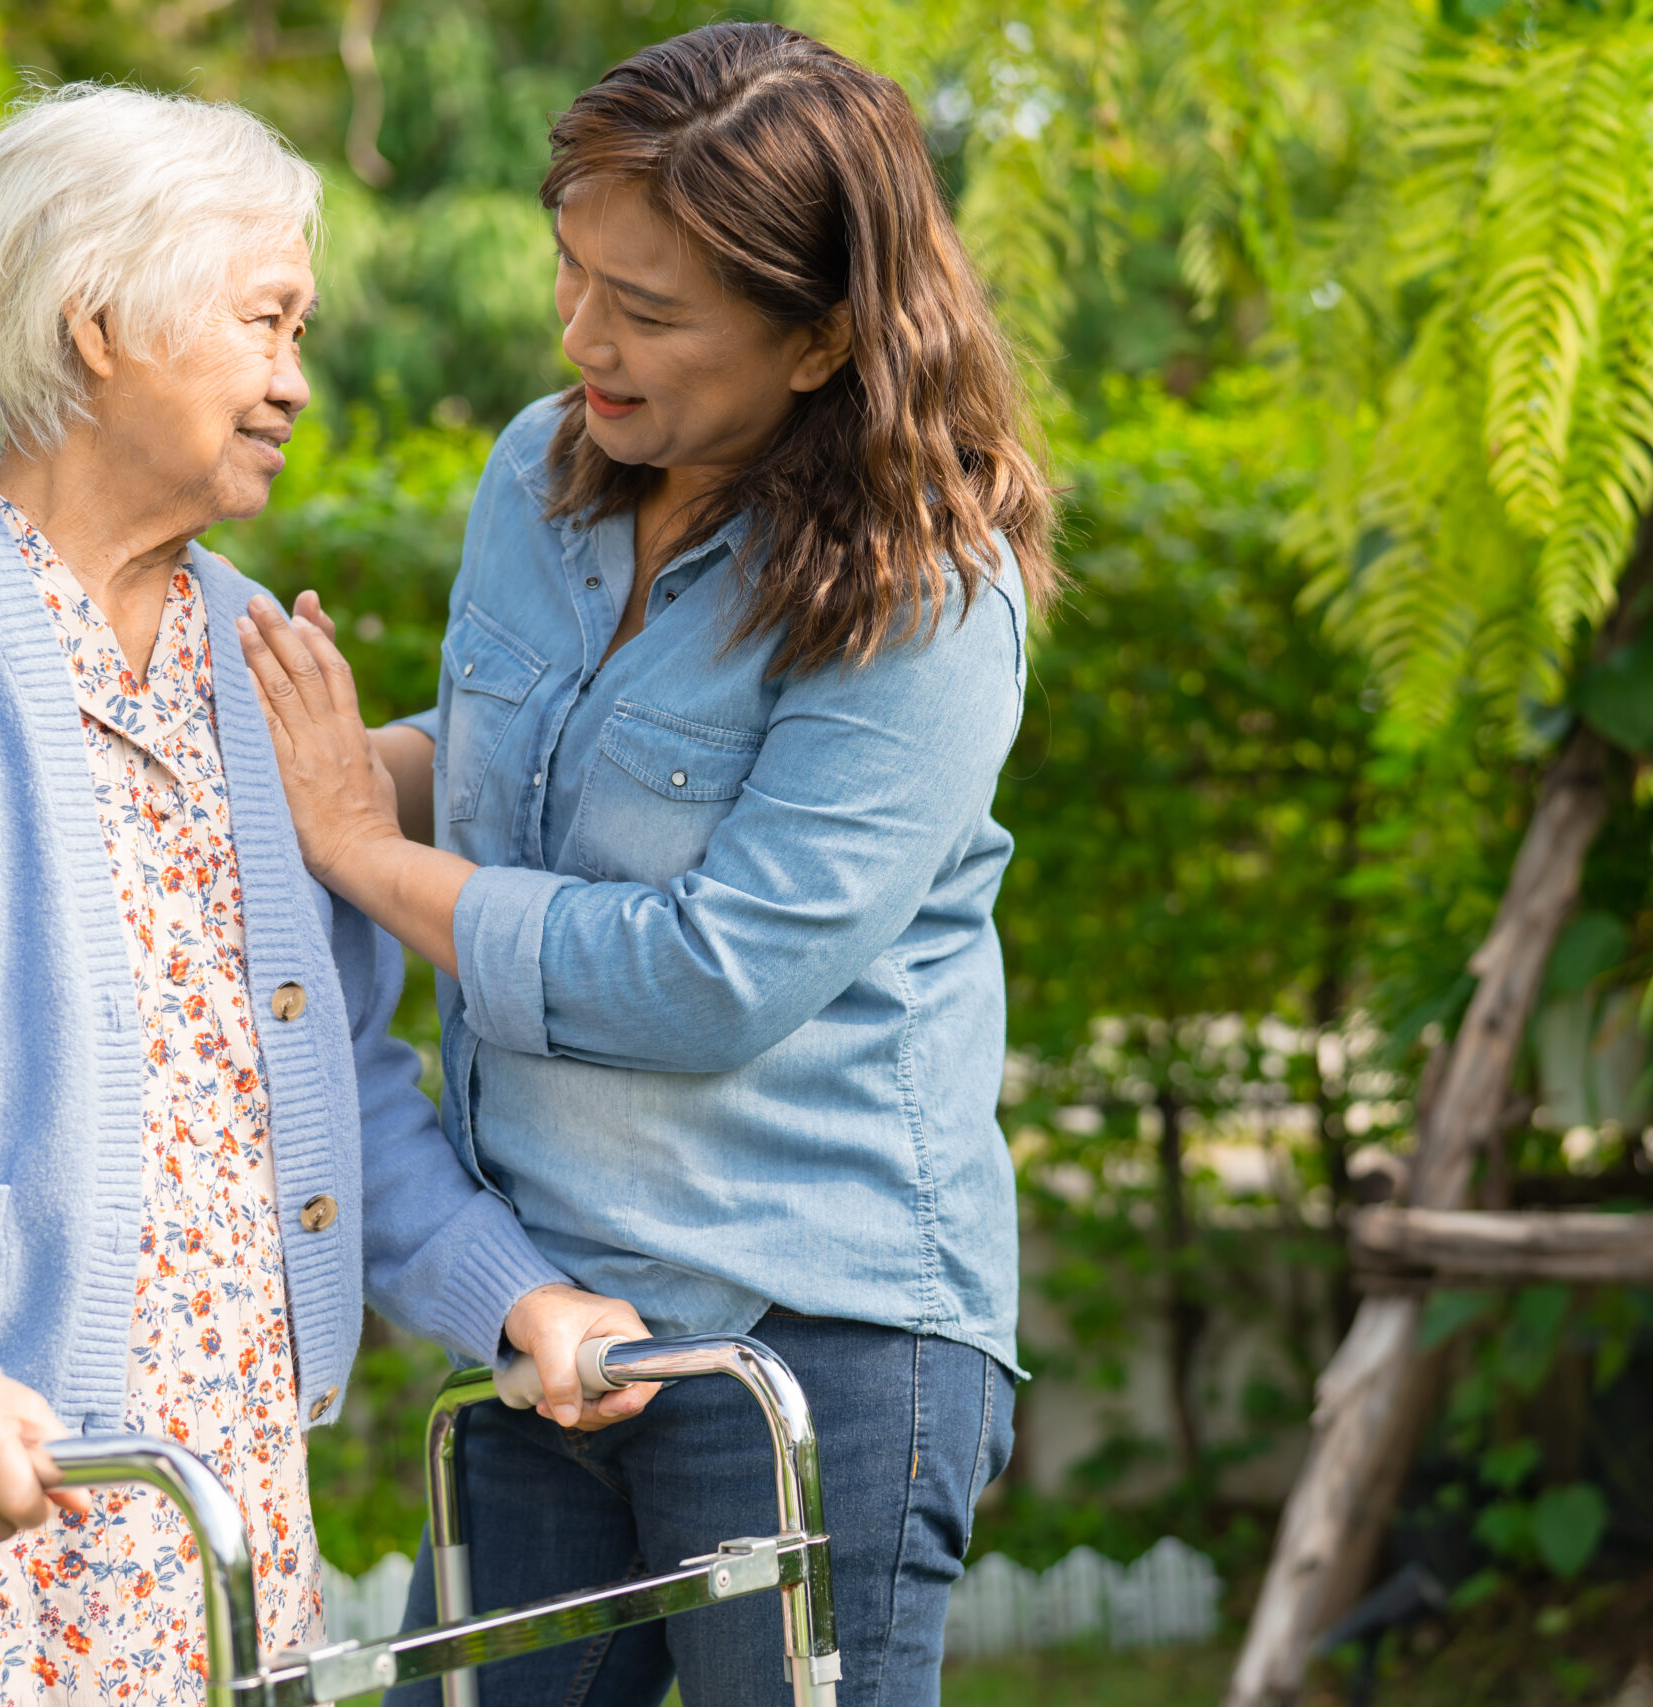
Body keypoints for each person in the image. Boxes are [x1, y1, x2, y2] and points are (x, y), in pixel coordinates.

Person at [0, 83, 648, 1707]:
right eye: (264, 322)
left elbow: (322, 1094)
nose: (295, 382)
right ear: (98, 322)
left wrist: (505, 1291)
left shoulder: (259, 662)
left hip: (214, 1520)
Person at [236, 23, 1058, 1705]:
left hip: (817, 1334)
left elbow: (712, 974)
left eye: (654, 310)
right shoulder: (536, 477)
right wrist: (296, 771)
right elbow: (501, 787)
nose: (585, 338)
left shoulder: (929, 591)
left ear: (825, 338)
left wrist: (350, 845)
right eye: (574, 272)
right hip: (559, 1320)